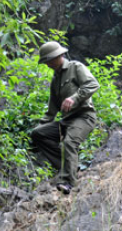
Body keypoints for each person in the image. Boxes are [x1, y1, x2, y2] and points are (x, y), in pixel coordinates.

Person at [31, 41, 99, 194]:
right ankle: (68, 167)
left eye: (48, 60)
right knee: (38, 134)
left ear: (58, 56)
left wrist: (74, 98)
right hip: (66, 121)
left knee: (69, 143)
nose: (47, 64)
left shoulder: (76, 67)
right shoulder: (55, 79)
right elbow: (51, 110)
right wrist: (39, 128)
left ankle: (68, 182)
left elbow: (92, 84)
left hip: (84, 116)